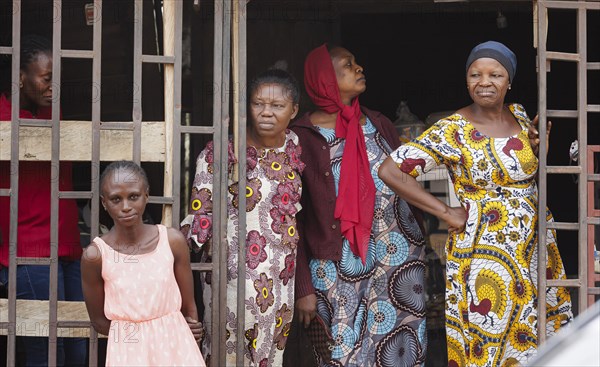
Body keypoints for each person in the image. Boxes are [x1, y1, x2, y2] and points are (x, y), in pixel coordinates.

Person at [378, 40, 573, 366]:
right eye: (475, 75)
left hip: (534, 248)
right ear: (466, 79)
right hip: (485, 253)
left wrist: (541, 149)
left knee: (536, 334)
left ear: (509, 81)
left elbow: (525, 176)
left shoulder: (520, 116)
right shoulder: (453, 130)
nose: (484, 82)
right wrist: (444, 212)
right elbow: (390, 170)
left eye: (495, 74)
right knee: (490, 334)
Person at [291, 44, 427, 366]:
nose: (359, 67)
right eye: (348, 65)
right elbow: (291, 220)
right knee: (343, 354)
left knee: (401, 349)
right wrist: (302, 287)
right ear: (325, 78)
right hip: (337, 270)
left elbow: (407, 180)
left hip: (397, 261)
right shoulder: (300, 136)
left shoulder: (378, 123)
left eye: (356, 63)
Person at [180, 68, 304, 366]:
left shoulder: (294, 147)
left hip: (280, 277)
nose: (266, 112)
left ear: (294, 110)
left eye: (277, 106)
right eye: (258, 103)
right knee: (228, 351)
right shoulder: (221, 153)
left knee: (271, 354)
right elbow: (200, 216)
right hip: (231, 274)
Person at [0, 35, 86, 366]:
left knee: (79, 348)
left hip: (68, 247)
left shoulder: (54, 110)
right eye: (46, 78)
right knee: (46, 353)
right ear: (21, 78)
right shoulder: (3, 113)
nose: (53, 86)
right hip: (28, 252)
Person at [80, 161, 205, 366]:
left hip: (176, 347)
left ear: (146, 195)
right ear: (104, 203)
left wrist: (182, 331)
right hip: (129, 352)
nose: (126, 207)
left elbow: (189, 307)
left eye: (133, 196)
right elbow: (99, 322)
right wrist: (141, 335)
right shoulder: (95, 255)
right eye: (116, 199)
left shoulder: (172, 241)